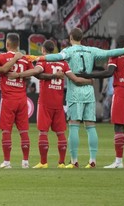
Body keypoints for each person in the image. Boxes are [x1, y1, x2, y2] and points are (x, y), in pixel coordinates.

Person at [36, 27, 124, 168]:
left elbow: (55, 57)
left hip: (75, 91)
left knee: (74, 126)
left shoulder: (68, 51)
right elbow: (110, 52)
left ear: (71, 38)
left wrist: (39, 58)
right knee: (90, 126)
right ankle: (92, 160)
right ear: (81, 38)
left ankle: (74, 161)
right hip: (89, 90)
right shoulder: (90, 50)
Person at [77, 34, 124, 168]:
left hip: (121, 92)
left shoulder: (115, 56)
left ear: (117, 46)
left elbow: (108, 73)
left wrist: (88, 75)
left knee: (119, 126)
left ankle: (119, 161)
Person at [0, 32, 42, 169]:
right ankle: (25, 162)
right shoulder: (24, 59)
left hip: (8, 100)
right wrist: (21, 75)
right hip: (22, 99)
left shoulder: (2, 56)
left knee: (6, 130)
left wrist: (2, 70)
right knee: (23, 131)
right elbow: (35, 71)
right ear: (18, 45)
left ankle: (7, 162)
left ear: (7, 44)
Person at [33, 40, 91, 168]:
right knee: (60, 133)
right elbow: (75, 79)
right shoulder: (63, 64)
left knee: (43, 132)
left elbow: (37, 74)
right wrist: (89, 81)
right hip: (58, 103)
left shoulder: (43, 61)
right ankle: (61, 162)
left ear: (43, 50)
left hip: (45, 101)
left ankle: (43, 162)